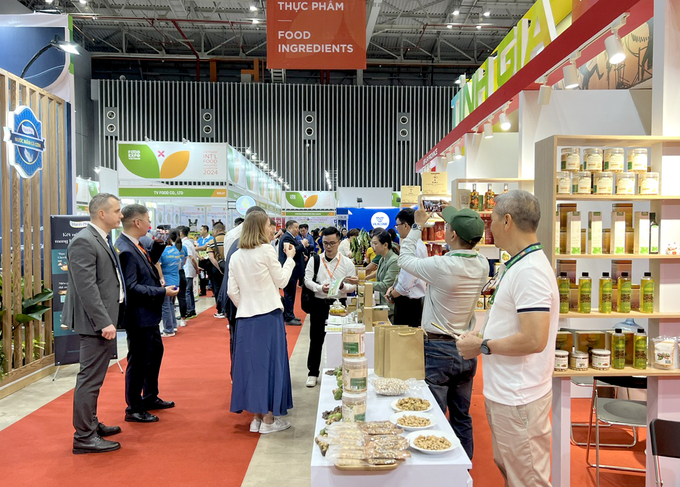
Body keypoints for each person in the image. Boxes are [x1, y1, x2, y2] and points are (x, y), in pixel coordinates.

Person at [457, 190, 559, 486]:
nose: (488, 228)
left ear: (507, 221)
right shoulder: (519, 264)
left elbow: (534, 339)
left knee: (527, 478)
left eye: (492, 220)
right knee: (513, 471)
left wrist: (483, 345)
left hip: (520, 396)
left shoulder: (530, 271)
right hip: (509, 393)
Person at [398, 206, 489, 460]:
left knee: (433, 416)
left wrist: (416, 227)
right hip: (466, 348)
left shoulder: (442, 265)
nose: (445, 228)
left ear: (452, 234)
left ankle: (435, 470)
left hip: (438, 348)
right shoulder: (482, 264)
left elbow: (404, 260)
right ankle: (463, 469)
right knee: (462, 415)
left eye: (447, 226)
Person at [63, 193, 125, 454]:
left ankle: (91, 424)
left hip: (102, 321)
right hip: (95, 324)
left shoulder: (99, 238)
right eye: (117, 210)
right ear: (102, 214)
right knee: (89, 379)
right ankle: (84, 436)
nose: (121, 215)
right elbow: (87, 288)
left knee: (95, 378)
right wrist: (104, 322)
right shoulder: (84, 241)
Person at [228, 212, 297, 434]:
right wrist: (290, 259)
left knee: (252, 368)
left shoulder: (237, 255)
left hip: (246, 319)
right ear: (260, 228)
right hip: (268, 316)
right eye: (269, 225)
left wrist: (248, 304)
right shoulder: (266, 250)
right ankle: (268, 420)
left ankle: (256, 419)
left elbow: (231, 291)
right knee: (270, 365)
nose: (272, 229)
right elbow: (282, 281)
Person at [116, 204, 179, 423]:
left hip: (148, 316)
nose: (150, 224)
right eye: (147, 219)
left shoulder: (136, 245)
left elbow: (148, 263)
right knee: (139, 361)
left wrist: (159, 245)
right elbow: (131, 287)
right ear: (137, 222)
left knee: (154, 355)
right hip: (138, 315)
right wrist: (162, 291)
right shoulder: (124, 249)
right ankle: (134, 407)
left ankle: (150, 396)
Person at [303, 227, 357, 388]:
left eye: (332, 243)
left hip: (340, 305)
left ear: (339, 242)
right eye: (325, 243)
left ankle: (341, 371)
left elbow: (352, 286)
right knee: (316, 339)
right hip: (320, 303)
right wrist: (320, 288)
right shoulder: (315, 260)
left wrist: (343, 287)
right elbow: (307, 280)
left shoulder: (347, 262)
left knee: (342, 339)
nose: (329, 246)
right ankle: (313, 373)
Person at [387, 208, 427, 327]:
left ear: (405, 225)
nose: (396, 228)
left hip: (408, 303)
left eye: (397, 225)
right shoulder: (419, 244)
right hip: (412, 300)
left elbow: (407, 280)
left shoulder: (411, 246)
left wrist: (392, 294)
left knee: (404, 341)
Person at [155, 229, 187, 337]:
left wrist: (161, 277)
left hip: (167, 281)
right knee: (170, 305)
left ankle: (168, 329)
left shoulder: (162, 251)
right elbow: (179, 266)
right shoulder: (176, 250)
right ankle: (173, 326)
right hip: (175, 279)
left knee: (165, 306)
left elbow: (157, 264)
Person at [278, 220, 308, 326]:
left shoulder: (291, 237)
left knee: (291, 293)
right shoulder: (287, 237)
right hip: (290, 270)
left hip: (293, 270)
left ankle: (290, 314)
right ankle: (289, 317)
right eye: (296, 227)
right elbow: (292, 251)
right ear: (289, 228)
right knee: (289, 294)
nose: (298, 230)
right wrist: (303, 245)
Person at [368, 229, 399, 321]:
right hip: (383, 304)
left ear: (385, 245)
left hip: (390, 308)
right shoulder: (383, 259)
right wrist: (365, 278)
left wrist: (364, 284)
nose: (373, 247)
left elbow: (386, 285)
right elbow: (379, 273)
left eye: (375, 244)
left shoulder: (394, 260)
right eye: (372, 244)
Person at [207, 222, 226, 317]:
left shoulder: (212, 242)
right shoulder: (229, 239)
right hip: (229, 266)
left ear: (217, 230)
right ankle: (227, 309)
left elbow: (211, 257)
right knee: (228, 288)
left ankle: (220, 310)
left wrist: (219, 268)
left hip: (217, 268)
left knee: (217, 289)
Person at [179, 226, 198, 319]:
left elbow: (191, 257)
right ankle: (191, 309)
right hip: (189, 269)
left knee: (187, 291)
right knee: (188, 291)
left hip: (188, 269)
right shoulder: (188, 242)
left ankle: (189, 310)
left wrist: (196, 268)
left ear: (181, 233)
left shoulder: (185, 243)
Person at [196, 225, 214, 296]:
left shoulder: (211, 238)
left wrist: (198, 248)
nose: (200, 231)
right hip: (201, 259)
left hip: (209, 259)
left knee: (211, 275)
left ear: (206, 230)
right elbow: (196, 249)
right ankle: (203, 291)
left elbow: (205, 247)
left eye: (201, 230)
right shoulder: (199, 239)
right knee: (201, 276)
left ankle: (214, 291)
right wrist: (199, 256)